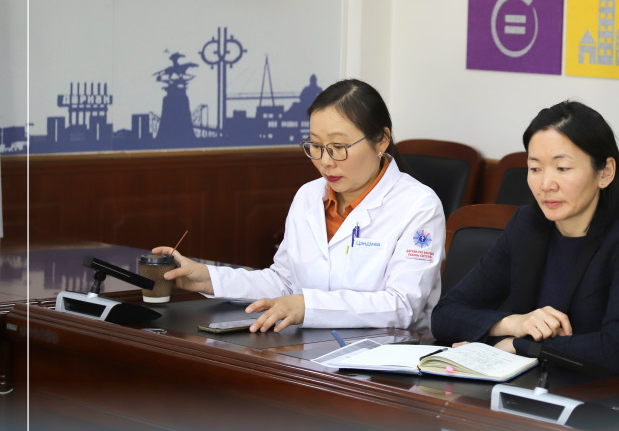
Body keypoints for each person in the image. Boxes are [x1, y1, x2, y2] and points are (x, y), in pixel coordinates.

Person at [153, 79, 445, 334]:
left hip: (385, 356)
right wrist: (208, 278)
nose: (326, 161)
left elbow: (402, 305)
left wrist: (308, 306)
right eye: (316, 146)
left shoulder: (418, 205)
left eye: (338, 147)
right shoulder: (309, 196)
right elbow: (284, 282)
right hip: (309, 347)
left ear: (381, 140)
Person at [431, 101, 619, 375]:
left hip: (602, 393)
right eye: (535, 168)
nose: (546, 184)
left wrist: (518, 345)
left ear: (605, 172)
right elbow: (445, 315)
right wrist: (514, 324)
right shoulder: (526, 225)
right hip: (527, 385)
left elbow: (615, 350)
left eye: (562, 168)